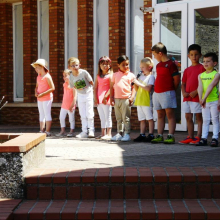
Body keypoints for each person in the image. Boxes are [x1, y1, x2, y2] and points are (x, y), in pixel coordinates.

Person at [151, 42, 180, 144]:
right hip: (157, 93)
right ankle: (160, 135)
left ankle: (171, 135)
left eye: (154, 55)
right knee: (160, 114)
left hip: (167, 92)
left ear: (160, 53)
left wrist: (172, 90)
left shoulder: (171, 65)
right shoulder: (158, 65)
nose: (154, 57)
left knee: (170, 114)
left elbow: (176, 79)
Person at [179, 44, 205, 145]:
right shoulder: (187, 70)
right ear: (188, 56)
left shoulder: (202, 68)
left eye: (196, 54)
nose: (194, 57)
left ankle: (198, 136)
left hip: (197, 97)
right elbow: (183, 83)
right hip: (187, 98)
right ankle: (190, 136)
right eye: (192, 54)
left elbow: (204, 83)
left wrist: (196, 91)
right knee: (188, 117)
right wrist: (184, 92)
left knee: (199, 117)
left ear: (200, 55)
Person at [68, 57, 95, 138]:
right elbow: (73, 86)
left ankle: (91, 130)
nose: (75, 67)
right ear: (69, 67)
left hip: (88, 93)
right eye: (73, 66)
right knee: (82, 113)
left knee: (89, 113)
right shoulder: (71, 76)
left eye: (76, 65)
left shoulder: (84, 72)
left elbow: (91, 82)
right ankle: (84, 131)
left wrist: (87, 88)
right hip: (80, 95)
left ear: (79, 65)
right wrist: (78, 87)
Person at [110, 55, 135, 142]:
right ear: (118, 65)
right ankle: (119, 133)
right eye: (123, 64)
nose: (126, 66)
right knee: (118, 118)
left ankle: (127, 133)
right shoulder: (115, 75)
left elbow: (134, 87)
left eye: (127, 64)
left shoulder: (131, 75)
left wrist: (132, 97)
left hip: (126, 99)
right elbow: (112, 87)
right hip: (117, 99)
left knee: (126, 118)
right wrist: (111, 97)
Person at [197, 52, 220, 147]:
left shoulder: (217, 74)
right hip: (205, 102)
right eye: (204, 61)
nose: (205, 63)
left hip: (214, 100)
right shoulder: (201, 75)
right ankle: (204, 138)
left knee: (215, 119)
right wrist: (200, 99)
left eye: (208, 61)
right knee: (205, 120)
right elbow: (200, 87)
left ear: (214, 63)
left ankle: (215, 138)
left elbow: (211, 86)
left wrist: (204, 98)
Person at [131, 57, 155, 142]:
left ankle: (151, 134)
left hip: (147, 101)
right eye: (140, 67)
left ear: (149, 67)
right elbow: (138, 89)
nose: (141, 69)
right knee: (141, 119)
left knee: (149, 118)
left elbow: (148, 89)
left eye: (143, 67)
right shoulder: (141, 77)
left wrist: (138, 83)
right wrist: (135, 84)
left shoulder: (151, 77)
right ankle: (142, 134)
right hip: (139, 100)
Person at [31, 59, 55, 137]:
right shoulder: (38, 77)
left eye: (37, 67)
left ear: (42, 67)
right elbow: (36, 87)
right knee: (41, 113)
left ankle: (47, 131)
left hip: (47, 98)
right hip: (40, 98)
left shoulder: (47, 76)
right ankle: (41, 130)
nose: (35, 69)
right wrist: (36, 92)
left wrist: (43, 94)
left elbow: (52, 88)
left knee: (47, 113)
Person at [94, 56, 113, 140]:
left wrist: (106, 96)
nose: (105, 66)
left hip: (106, 99)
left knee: (107, 116)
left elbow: (111, 87)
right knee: (102, 117)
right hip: (99, 98)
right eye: (103, 64)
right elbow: (95, 87)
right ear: (100, 66)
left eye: (107, 64)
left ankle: (109, 134)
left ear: (109, 65)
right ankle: (102, 133)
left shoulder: (110, 75)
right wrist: (95, 98)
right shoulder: (98, 76)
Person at [56, 69, 77, 137]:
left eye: (66, 76)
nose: (64, 77)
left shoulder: (73, 85)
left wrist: (72, 105)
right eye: (63, 76)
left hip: (71, 105)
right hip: (64, 104)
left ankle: (72, 131)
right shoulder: (64, 84)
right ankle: (63, 131)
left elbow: (74, 97)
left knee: (71, 119)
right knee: (61, 117)